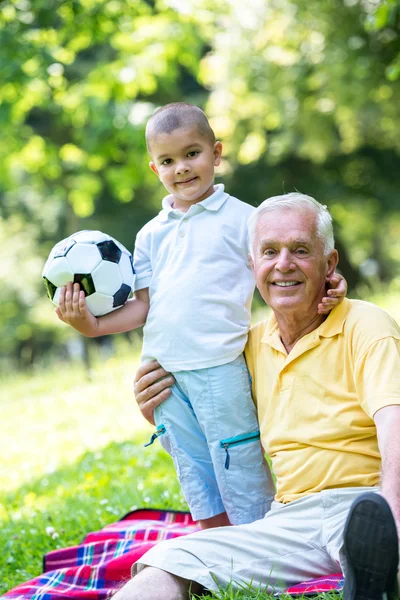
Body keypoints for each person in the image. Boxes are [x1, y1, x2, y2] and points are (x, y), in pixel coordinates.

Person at [55, 103, 345, 531]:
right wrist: (91, 326)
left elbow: (276, 277)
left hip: (219, 364)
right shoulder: (150, 233)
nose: (182, 168)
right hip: (162, 368)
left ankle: (258, 539)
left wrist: (327, 285)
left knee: (237, 455)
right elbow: (143, 305)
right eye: (169, 161)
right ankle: (213, 540)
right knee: (191, 462)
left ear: (216, 153)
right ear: (155, 169)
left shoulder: (245, 220)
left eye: (192, 154)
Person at [113, 193, 400, 600]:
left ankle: (375, 574)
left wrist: (393, 516)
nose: (283, 264)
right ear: (252, 265)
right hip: (286, 521)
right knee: (168, 562)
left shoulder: (366, 325)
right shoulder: (241, 348)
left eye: (300, 250)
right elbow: (217, 424)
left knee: (376, 548)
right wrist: (159, 411)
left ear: (329, 264)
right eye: (270, 251)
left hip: (367, 504)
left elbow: (395, 426)